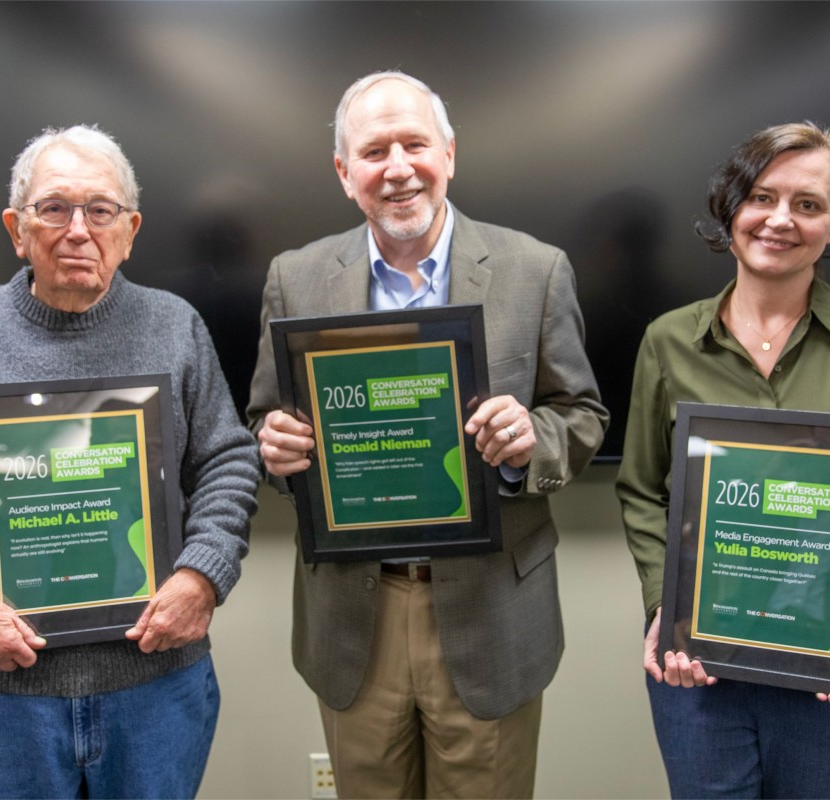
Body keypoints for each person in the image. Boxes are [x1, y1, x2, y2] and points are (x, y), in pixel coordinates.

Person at [0, 124, 259, 799]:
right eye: (54, 208)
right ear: (17, 229)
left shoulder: (176, 327)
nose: (78, 230)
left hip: (156, 686)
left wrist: (202, 575)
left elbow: (227, 460)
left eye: (100, 210)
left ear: (129, 231)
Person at [246, 71, 608, 799]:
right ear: (344, 173)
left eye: (414, 144)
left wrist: (528, 443)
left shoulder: (535, 270)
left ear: (449, 153)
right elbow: (264, 419)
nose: (398, 168)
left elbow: (581, 413)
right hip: (355, 615)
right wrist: (275, 449)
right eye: (374, 151)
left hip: (490, 612)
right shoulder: (296, 277)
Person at [616, 122, 830, 798]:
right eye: (762, 196)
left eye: (809, 204)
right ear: (731, 206)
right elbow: (644, 491)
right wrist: (662, 608)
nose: (780, 219)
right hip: (700, 662)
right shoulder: (667, 340)